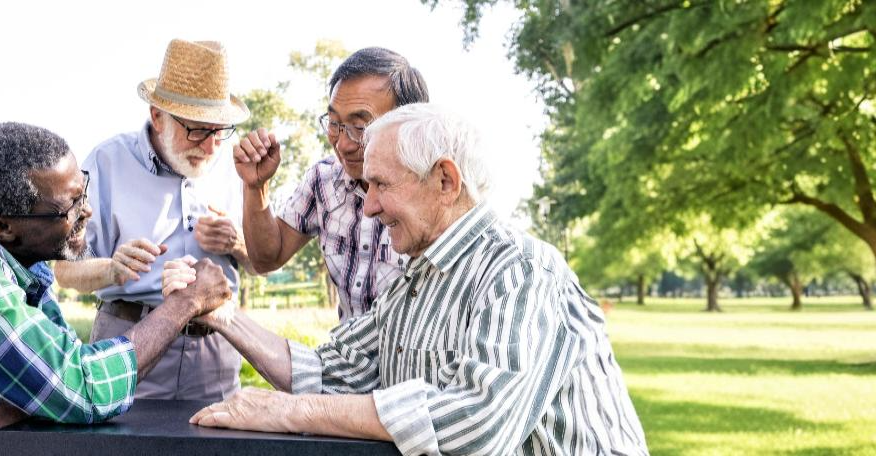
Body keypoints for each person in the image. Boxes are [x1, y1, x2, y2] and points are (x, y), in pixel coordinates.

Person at [168, 104, 648, 455]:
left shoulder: (521, 271)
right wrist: (221, 312)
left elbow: (476, 422)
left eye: (381, 185)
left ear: (444, 181)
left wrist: (291, 412)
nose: (370, 206)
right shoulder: (415, 278)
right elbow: (331, 372)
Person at [0, 121, 233, 455]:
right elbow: (83, 388)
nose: (86, 211)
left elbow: (54, 364)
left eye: (83, 193)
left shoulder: (23, 261)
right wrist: (186, 302)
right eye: (69, 206)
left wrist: (12, 409)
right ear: (3, 226)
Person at [53, 38, 251, 401]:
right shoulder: (105, 163)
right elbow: (62, 269)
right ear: (157, 116)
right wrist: (111, 268)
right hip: (128, 343)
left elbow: (265, 261)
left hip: (216, 354)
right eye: (196, 130)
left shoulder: (236, 167)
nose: (210, 147)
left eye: (219, 131)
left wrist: (238, 242)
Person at [234, 47, 428, 321]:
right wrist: (256, 187)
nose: (343, 143)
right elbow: (267, 258)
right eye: (334, 123)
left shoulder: (435, 194)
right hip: (344, 360)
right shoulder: (323, 180)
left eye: (360, 128)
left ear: (409, 123)